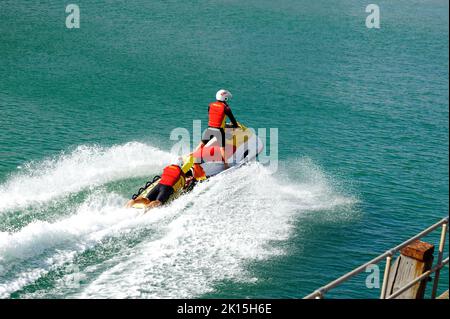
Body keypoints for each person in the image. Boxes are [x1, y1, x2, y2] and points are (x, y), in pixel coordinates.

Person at [194, 89, 239, 169]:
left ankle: (192, 157)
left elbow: (214, 116)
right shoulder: (226, 108)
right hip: (219, 130)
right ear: (225, 98)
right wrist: (235, 126)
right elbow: (232, 119)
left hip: (209, 128)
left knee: (201, 144)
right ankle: (226, 165)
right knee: (222, 148)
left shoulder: (210, 105)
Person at [126, 159, 194, 210]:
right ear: (181, 166)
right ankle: (147, 209)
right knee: (158, 202)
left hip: (159, 185)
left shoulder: (167, 168)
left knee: (147, 199)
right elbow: (183, 187)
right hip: (167, 188)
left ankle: (133, 201)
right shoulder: (181, 173)